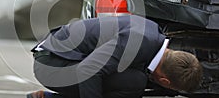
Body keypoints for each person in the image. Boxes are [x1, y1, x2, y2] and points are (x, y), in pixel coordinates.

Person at [27, 15, 203, 98]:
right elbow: (88, 70)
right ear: (165, 81)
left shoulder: (154, 34)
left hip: (66, 57)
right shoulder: (135, 43)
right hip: (51, 64)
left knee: (135, 80)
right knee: (134, 82)